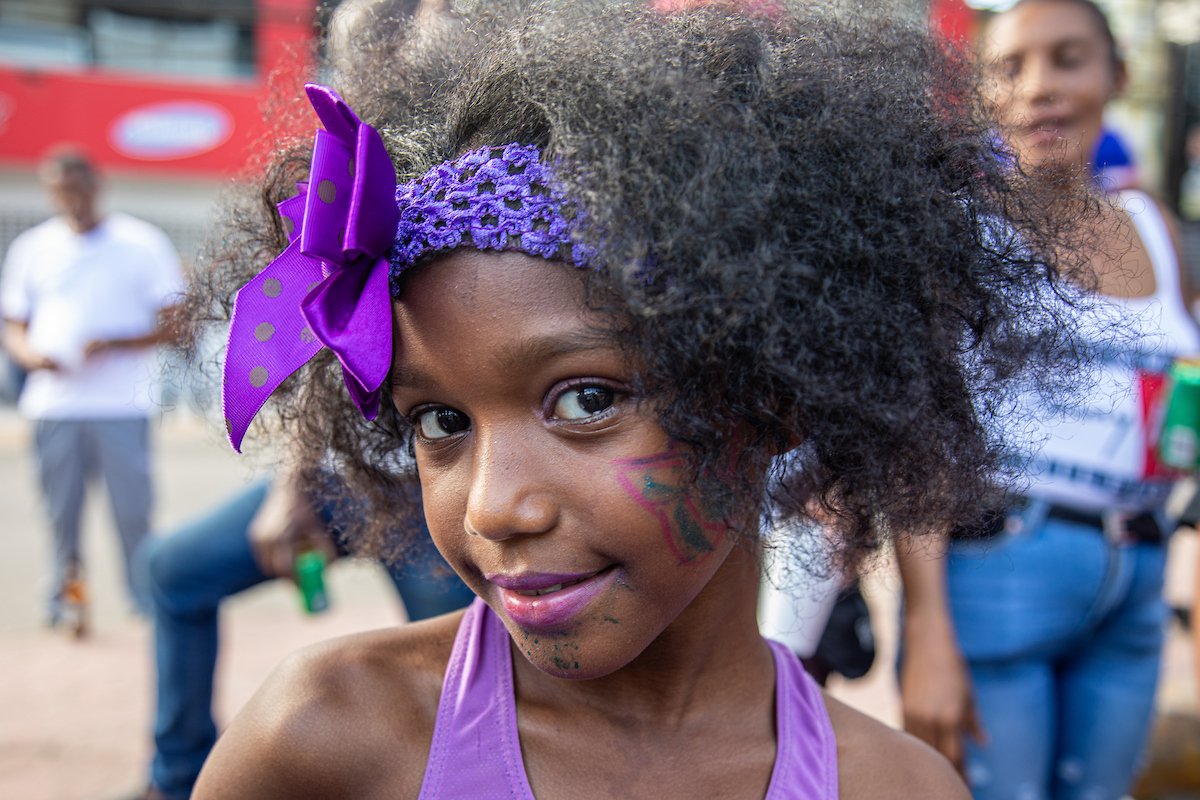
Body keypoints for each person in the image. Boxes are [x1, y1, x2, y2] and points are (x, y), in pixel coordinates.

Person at [185, 2, 1092, 796]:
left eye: (585, 401)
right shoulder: (326, 744)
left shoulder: (895, 790)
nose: (496, 506)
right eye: (441, 422)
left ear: (773, 390)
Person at [895, 2, 1200, 798]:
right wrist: (927, 631)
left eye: (1068, 59)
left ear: (1117, 76)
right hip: (999, 573)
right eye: (1010, 68)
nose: (1040, 88)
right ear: (982, 94)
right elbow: (920, 432)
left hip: (1138, 577)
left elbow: (1183, 394)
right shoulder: (960, 233)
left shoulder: (1154, 229)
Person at [134, 470, 473, 800]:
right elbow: (312, 410)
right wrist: (291, 485)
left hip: (424, 482)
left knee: (464, 663)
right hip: (334, 471)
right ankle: (177, 781)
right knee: (173, 570)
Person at [0, 149, 184, 630]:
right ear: (50, 193)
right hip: (54, 405)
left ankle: (145, 600)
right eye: (60, 191)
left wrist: (114, 343)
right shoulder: (32, 248)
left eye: (78, 189)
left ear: (96, 186)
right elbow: (15, 326)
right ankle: (69, 599)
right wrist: (30, 357)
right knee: (61, 517)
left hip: (121, 405)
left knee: (133, 513)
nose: (70, 200)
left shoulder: (141, 243)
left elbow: (175, 324)